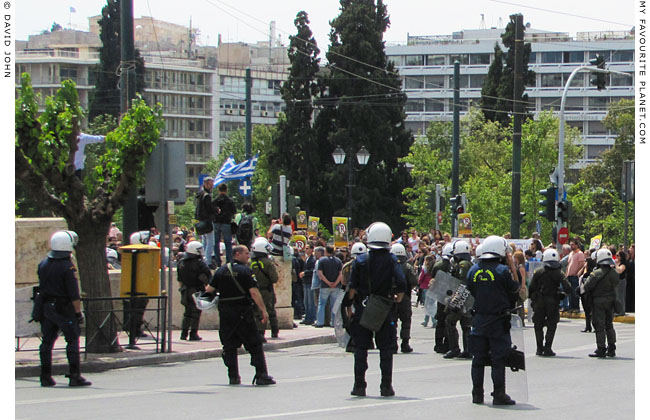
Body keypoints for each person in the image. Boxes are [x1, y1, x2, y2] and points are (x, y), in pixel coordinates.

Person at [342, 222, 406, 397]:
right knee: (386, 350)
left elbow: (352, 287)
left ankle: (359, 385)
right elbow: (401, 285)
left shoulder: (360, 260)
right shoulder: (392, 259)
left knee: (361, 349)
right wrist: (394, 300)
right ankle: (386, 386)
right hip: (384, 309)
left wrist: (353, 303)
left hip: (363, 308)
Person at [205, 245, 276, 385]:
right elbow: (254, 292)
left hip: (226, 313)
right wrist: (263, 310)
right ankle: (261, 375)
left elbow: (209, 290)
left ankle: (233, 376)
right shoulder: (245, 271)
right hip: (243, 312)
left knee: (229, 345)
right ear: (237, 254)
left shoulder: (221, 270)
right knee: (254, 344)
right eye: (245, 253)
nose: (248, 256)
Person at [466, 235, 520, 405]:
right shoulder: (502, 271)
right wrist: (511, 265)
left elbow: (470, 291)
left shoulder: (473, 270)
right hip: (497, 321)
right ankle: (499, 394)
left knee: (478, 359)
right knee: (498, 359)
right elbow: (515, 289)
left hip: (479, 319)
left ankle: (477, 394)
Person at [37, 231, 91, 387]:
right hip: (64, 308)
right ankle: (75, 375)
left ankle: (45, 376)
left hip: (47, 307)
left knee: (47, 341)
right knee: (72, 340)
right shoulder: (68, 267)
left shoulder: (43, 264)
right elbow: (74, 294)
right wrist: (78, 313)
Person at [528, 249, 571, 357]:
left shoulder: (538, 272)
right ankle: (548, 348)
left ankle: (539, 348)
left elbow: (531, 287)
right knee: (552, 325)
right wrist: (563, 294)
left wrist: (532, 298)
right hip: (553, 302)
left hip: (539, 302)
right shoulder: (559, 273)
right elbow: (568, 287)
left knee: (538, 325)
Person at [583, 248, 619, 358]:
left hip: (598, 302)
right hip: (611, 301)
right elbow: (616, 283)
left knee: (599, 325)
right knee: (609, 325)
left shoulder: (596, 273)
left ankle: (601, 348)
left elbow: (587, 286)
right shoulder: (614, 273)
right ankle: (612, 347)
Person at [177, 241, 211, 341]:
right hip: (197, 290)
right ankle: (193, 334)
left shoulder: (181, 263)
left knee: (187, 312)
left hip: (185, 290)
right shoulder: (200, 264)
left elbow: (179, 280)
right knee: (196, 312)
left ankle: (183, 334)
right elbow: (208, 278)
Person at [444, 240, 473, 359]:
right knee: (466, 324)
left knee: (450, 321)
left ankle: (455, 349)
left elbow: (462, 283)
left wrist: (455, 300)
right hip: (467, 298)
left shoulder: (463, 265)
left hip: (462, 297)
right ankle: (468, 350)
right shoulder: (467, 263)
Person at [250, 237, 280, 342]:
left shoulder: (250, 262)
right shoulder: (268, 263)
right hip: (266, 290)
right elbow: (275, 278)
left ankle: (258, 332)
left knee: (256, 312)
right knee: (269, 310)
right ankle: (273, 331)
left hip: (253, 290)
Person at [390, 243, 418, 353]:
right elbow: (414, 282)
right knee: (406, 320)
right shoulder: (408, 267)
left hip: (391, 297)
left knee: (392, 321)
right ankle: (405, 343)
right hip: (405, 297)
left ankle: (393, 343)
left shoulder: (389, 266)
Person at [431, 243, 454, 354]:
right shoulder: (452, 265)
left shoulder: (437, 264)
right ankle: (447, 344)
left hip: (440, 295)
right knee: (448, 320)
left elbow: (432, 278)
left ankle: (438, 344)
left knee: (440, 320)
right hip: (450, 296)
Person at [315, 245, 343, 328]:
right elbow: (341, 274)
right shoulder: (338, 261)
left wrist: (327, 282)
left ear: (326, 251)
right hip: (336, 286)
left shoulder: (322, 260)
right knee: (334, 305)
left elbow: (320, 273)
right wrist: (335, 283)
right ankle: (333, 322)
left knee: (321, 304)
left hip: (324, 286)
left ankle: (320, 322)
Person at [213, 183, 236, 267]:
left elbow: (212, 210)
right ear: (226, 190)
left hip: (216, 222)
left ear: (218, 190)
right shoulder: (229, 200)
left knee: (216, 242)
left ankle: (217, 261)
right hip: (226, 222)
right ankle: (229, 260)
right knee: (228, 242)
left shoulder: (215, 200)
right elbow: (234, 211)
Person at [195, 177, 216, 268]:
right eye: (211, 184)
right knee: (211, 241)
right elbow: (209, 208)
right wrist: (216, 210)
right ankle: (207, 260)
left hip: (201, 220)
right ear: (206, 184)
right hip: (207, 220)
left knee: (204, 241)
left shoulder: (199, 195)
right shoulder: (206, 195)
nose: (212, 186)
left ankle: (203, 258)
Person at [577, 249, 597, 332]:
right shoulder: (585, 271)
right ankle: (587, 326)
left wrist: (586, 269)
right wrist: (583, 267)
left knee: (591, 310)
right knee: (586, 311)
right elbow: (578, 274)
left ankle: (594, 326)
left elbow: (585, 278)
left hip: (588, 293)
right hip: (583, 292)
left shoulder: (590, 273)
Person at [299, 242, 317, 325]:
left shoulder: (313, 259)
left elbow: (313, 270)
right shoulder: (306, 259)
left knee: (310, 301)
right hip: (305, 282)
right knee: (306, 301)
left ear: (311, 249)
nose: (306, 250)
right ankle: (307, 317)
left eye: (307, 248)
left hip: (310, 282)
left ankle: (311, 318)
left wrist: (305, 273)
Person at [566, 238, 586, 312]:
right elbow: (568, 264)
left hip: (575, 276)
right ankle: (571, 307)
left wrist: (577, 272)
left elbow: (581, 265)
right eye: (570, 245)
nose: (571, 246)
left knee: (575, 292)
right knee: (570, 293)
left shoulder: (580, 254)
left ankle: (576, 307)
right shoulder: (571, 254)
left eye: (573, 245)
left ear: (577, 245)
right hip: (569, 275)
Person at [614, 250, 627, 316]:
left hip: (621, 281)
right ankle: (617, 310)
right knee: (616, 296)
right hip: (616, 281)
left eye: (618, 256)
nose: (616, 257)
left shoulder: (623, 264)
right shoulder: (616, 264)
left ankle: (622, 311)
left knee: (620, 296)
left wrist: (616, 264)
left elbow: (619, 271)